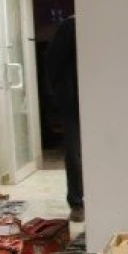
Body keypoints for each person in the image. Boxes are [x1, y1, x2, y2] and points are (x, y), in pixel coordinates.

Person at [43, 15, 84, 223]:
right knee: (75, 152)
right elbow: (53, 62)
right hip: (73, 101)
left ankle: (99, 198)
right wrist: (62, 95)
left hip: (100, 102)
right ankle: (77, 203)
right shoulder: (72, 25)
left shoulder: (106, 23)